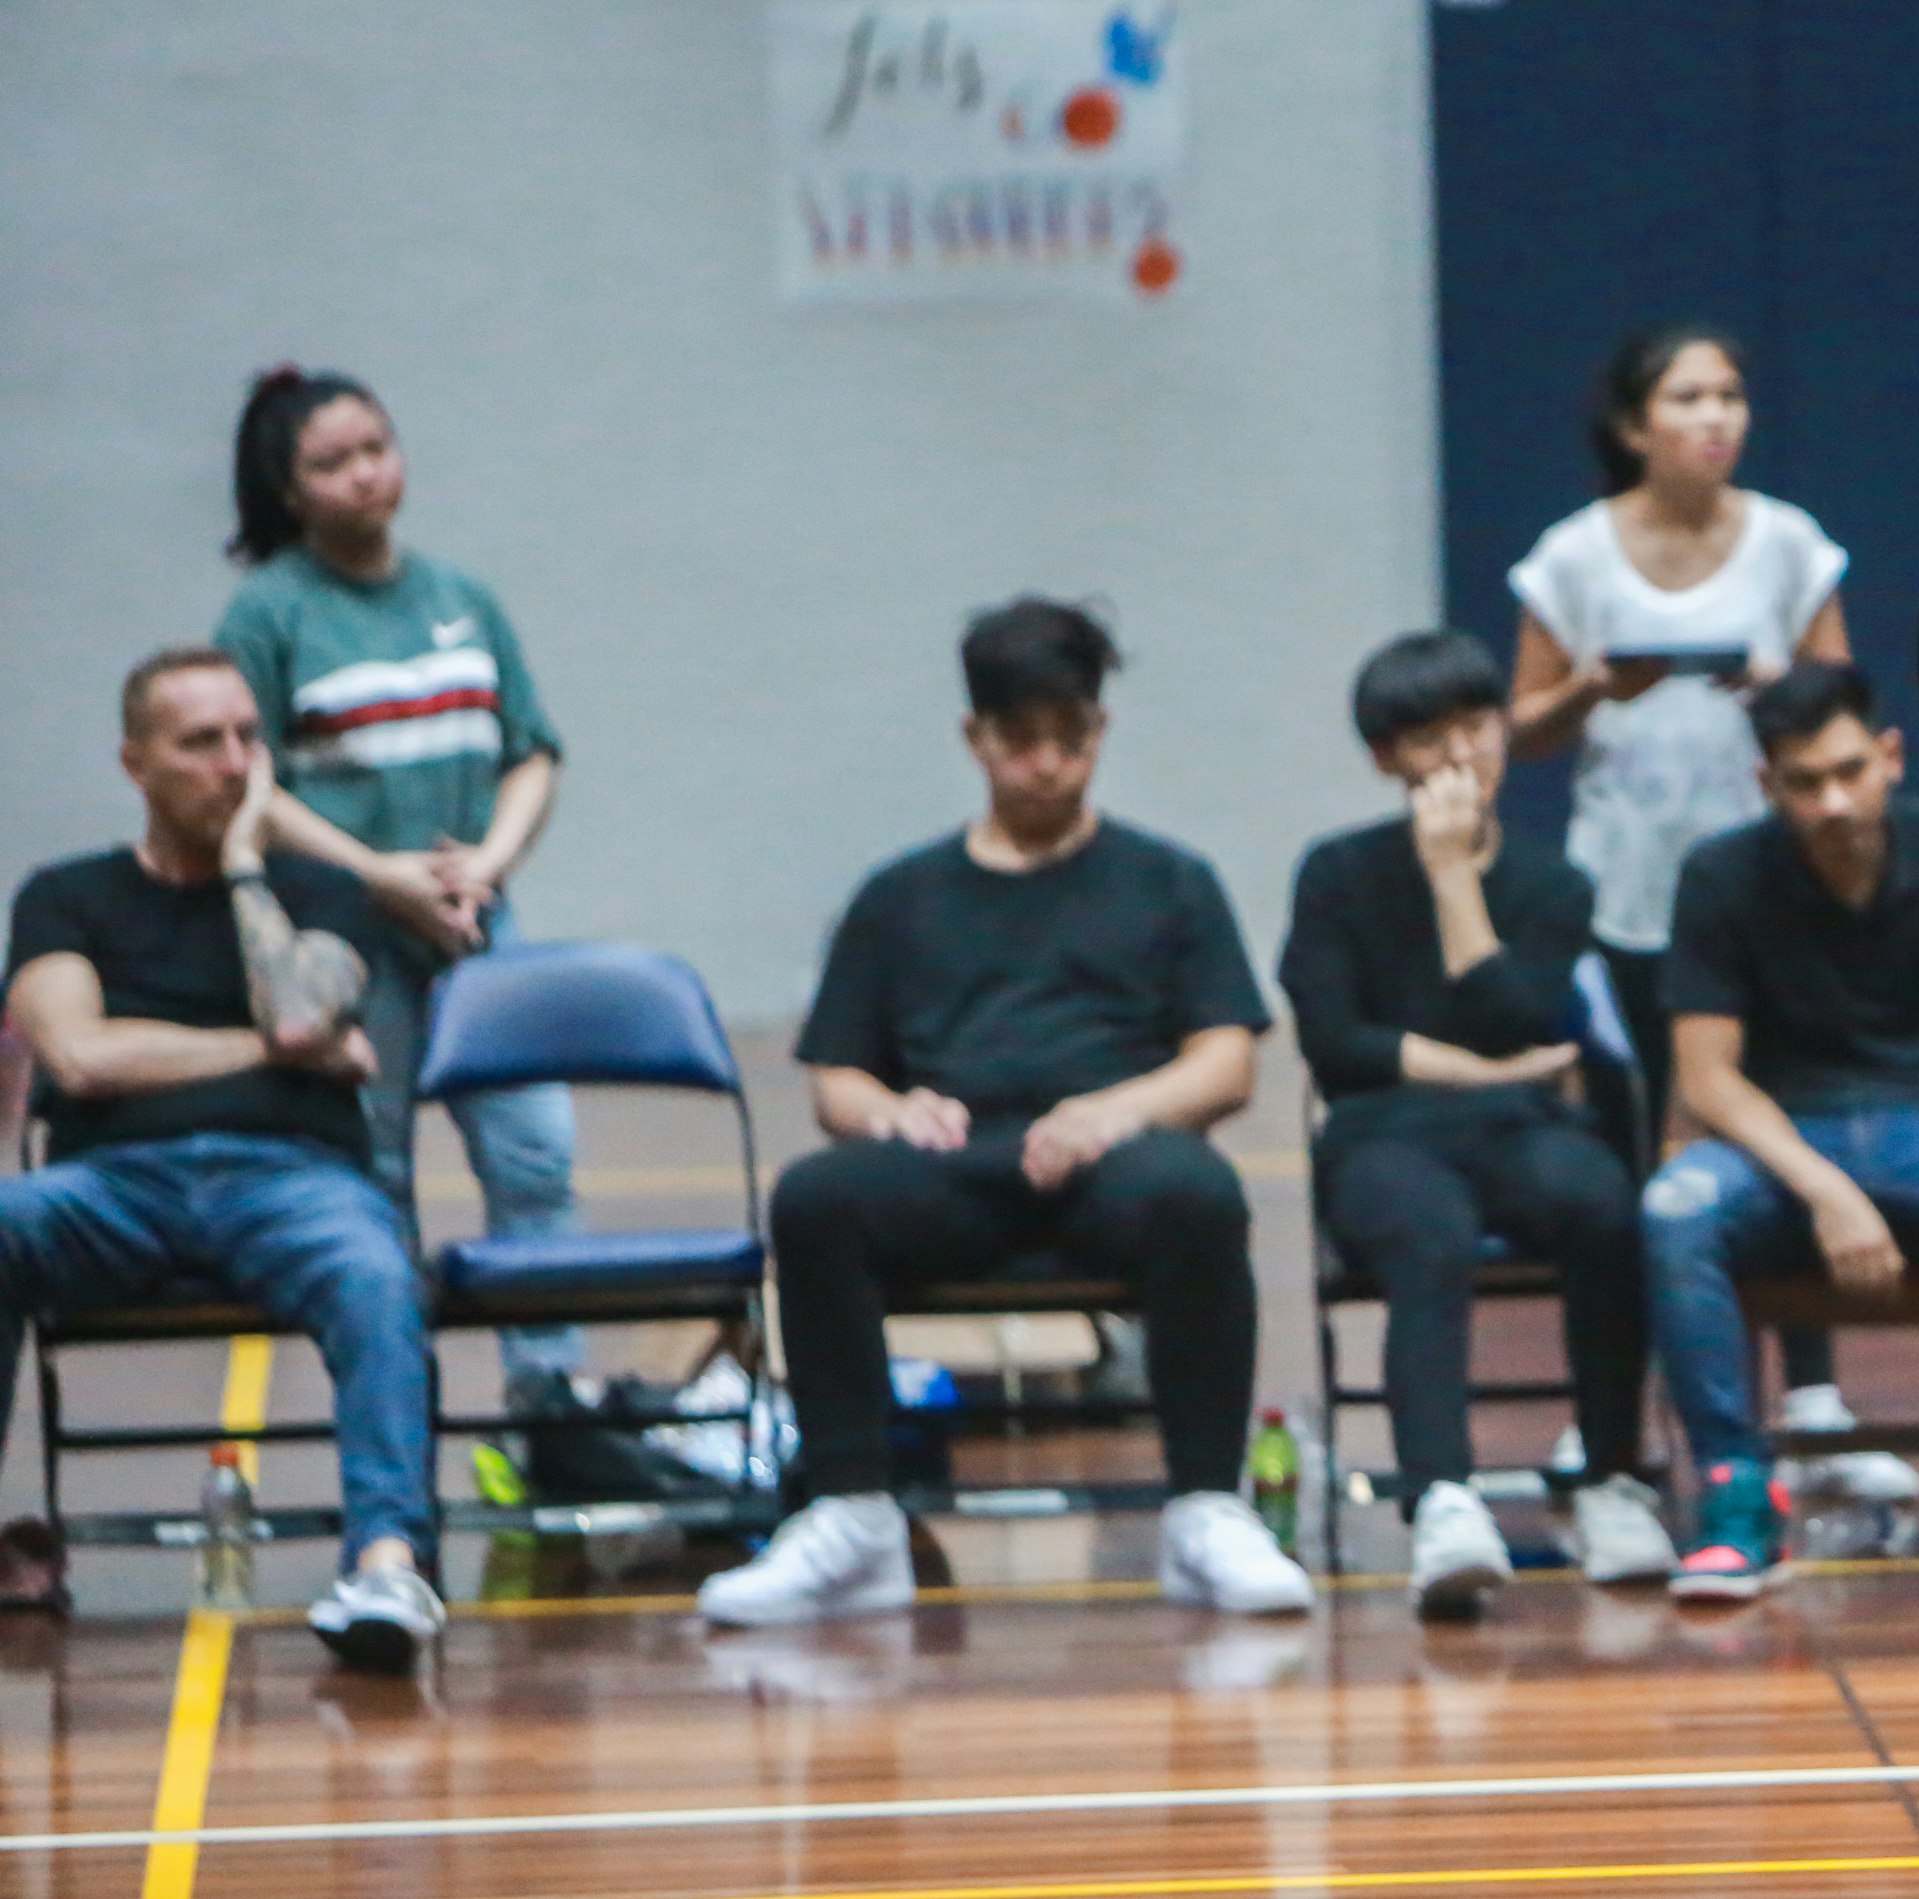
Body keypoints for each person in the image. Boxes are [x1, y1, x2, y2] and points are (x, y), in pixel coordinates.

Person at [697, 599, 1309, 1626]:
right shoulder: (899, 897)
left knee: (1199, 1192)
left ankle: (1207, 1506)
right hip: (956, 1165)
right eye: (1019, 744)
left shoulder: (1170, 881)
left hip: (1109, 1163)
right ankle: (855, 1518)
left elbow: (1227, 1060)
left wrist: (1116, 1111)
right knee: (817, 1201)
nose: (1047, 767)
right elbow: (835, 1080)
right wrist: (891, 1112)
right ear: (975, 740)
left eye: (1069, 743)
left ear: (1099, 734)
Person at [1504, 327, 1908, 1494]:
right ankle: (1620, 1410)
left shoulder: (1787, 544)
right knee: (1647, 1157)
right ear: (1635, 425)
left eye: (1731, 393)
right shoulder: (1573, 558)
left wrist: (1776, 689)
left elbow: (1839, 701)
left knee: (1788, 1126)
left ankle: (1817, 1400)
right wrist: (1596, 683)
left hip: (1765, 887)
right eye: (1689, 397)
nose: (1717, 415)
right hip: (1627, 892)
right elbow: (1518, 731)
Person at [2, 651, 443, 1668]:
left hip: (292, 1176)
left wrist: (248, 864)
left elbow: (297, 1008)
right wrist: (282, 1052)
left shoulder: (324, 890)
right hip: (114, 1186)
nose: (236, 763)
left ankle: (385, 1567)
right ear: (136, 762)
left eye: (249, 738)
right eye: (202, 743)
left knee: (376, 1275)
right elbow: (80, 1054)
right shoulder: (65, 896)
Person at [1645, 660, 1919, 1600]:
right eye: (1805, 784)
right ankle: (1736, 1499)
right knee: (1673, 1209)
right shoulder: (1720, 876)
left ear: (1890, 757)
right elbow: (1707, 1080)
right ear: (1768, 786)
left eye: (1851, 771)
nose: (1835, 801)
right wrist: (1826, 1190)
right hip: (1778, 1151)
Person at [212, 367, 586, 1418]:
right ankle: (395, 1405)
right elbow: (252, 780)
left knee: (537, 1153)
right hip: (349, 931)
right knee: (374, 1175)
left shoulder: (462, 598)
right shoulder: (268, 612)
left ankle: (546, 1399)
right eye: (332, 462)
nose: (366, 473)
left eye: (377, 447)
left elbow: (533, 752)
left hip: (477, 921)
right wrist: (375, 872)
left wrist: (490, 861)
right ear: (288, 489)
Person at [1280, 630, 1677, 1615]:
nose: (1460, 755)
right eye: (1427, 739)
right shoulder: (1334, 873)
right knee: (1425, 1230)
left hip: (1522, 1126)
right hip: (1382, 1132)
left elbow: (1522, 1019)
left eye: (1476, 726)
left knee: (1600, 1202)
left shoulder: (1553, 883)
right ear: (1385, 758)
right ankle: (1445, 1501)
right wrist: (1468, 1066)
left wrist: (1455, 875)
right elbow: (1335, 1044)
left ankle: (1611, 1477)